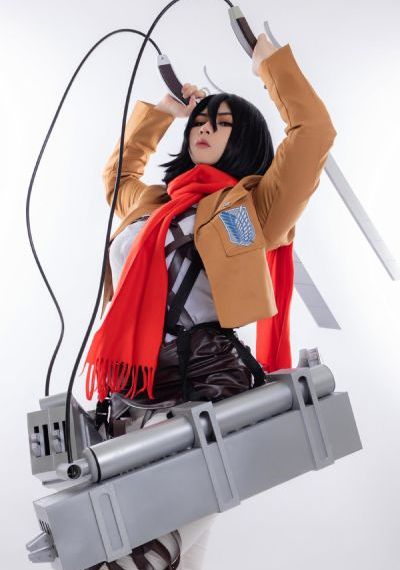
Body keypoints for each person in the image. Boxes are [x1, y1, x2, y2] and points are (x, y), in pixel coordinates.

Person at [83, 32, 337, 570]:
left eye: (222, 124)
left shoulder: (252, 208)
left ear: (244, 141)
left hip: (206, 386)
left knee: (139, 553)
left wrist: (270, 66)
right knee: (174, 552)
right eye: (201, 121)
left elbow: (313, 132)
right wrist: (163, 113)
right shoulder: (154, 205)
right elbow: (118, 177)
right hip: (134, 393)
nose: (204, 128)